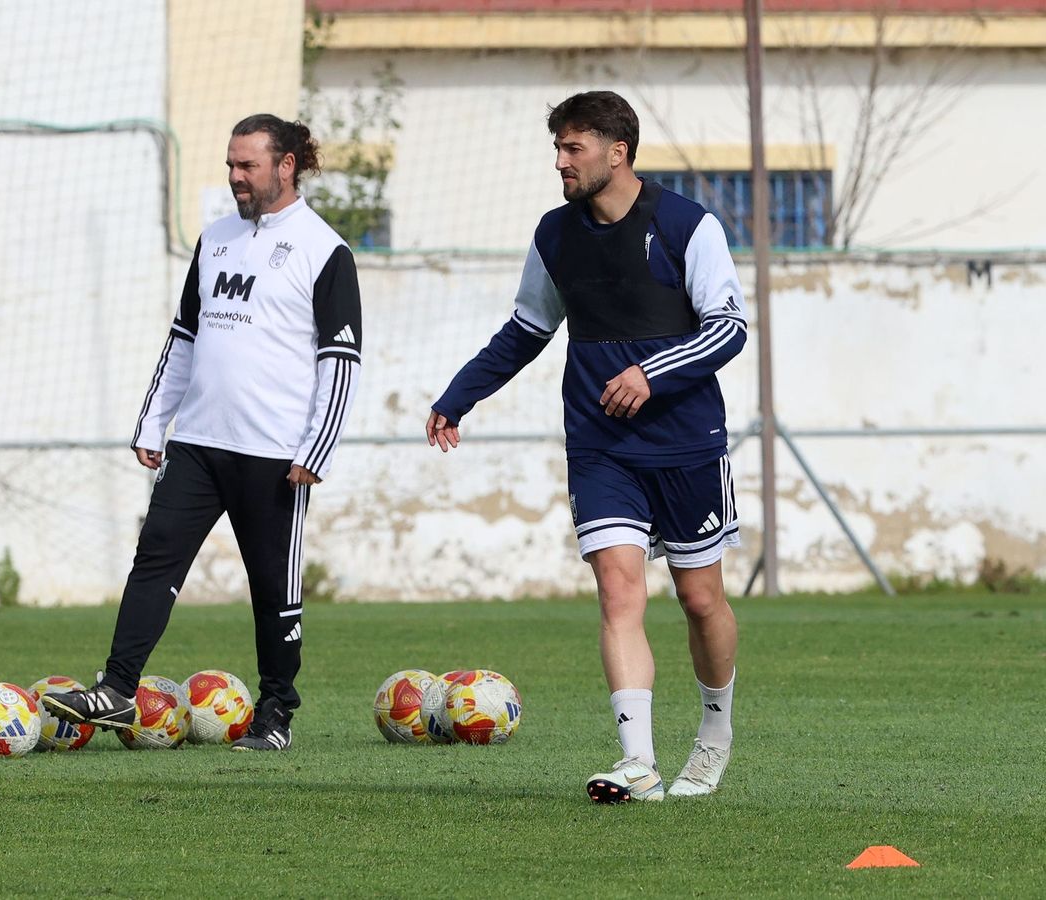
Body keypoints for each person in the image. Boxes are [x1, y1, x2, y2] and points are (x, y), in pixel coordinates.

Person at [427, 91, 745, 801]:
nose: (561, 163)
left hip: (686, 443)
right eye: (558, 149)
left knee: (699, 599)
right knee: (618, 590)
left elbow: (729, 328)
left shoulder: (686, 225)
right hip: (600, 444)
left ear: (617, 152)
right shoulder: (555, 233)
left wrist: (650, 373)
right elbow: (526, 330)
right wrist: (457, 396)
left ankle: (715, 734)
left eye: (573, 149)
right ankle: (638, 763)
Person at [43, 113, 363, 751]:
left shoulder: (325, 250)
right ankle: (115, 689)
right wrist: (154, 420)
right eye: (230, 164)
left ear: (286, 164)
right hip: (197, 444)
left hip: (275, 455)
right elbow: (184, 338)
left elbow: (341, 358)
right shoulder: (214, 239)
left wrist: (316, 447)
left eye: (247, 165)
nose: (235, 177)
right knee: (154, 558)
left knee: (274, 587)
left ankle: (275, 718)